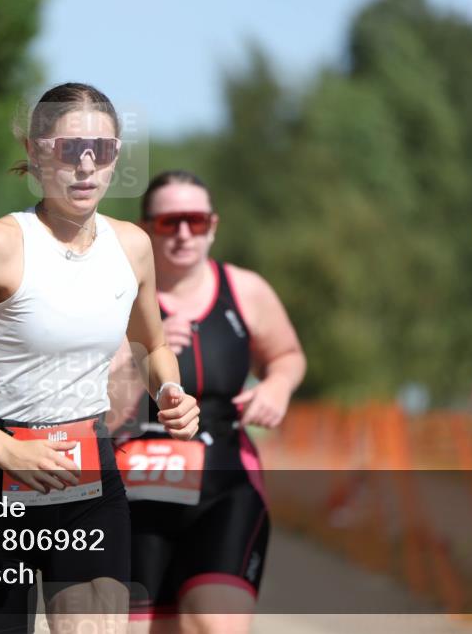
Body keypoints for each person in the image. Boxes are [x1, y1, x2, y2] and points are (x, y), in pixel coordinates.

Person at [0, 84, 200, 634]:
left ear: (116, 157)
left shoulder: (132, 247)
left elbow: (152, 345)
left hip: (87, 478)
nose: (84, 165)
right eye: (67, 147)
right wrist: (7, 450)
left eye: (99, 151)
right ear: (34, 153)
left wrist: (169, 390)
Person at [108, 170, 306, 634]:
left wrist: (277, 387)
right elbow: (95, 410)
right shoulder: (114, 297)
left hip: (225, 488)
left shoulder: (246, 290)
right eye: (169, 222)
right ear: (146, 227)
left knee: (213, 625)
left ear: (212, 226)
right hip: (133, 499)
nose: (182, 234)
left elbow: (288, 356)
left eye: (195, 222)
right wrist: (141, 357)